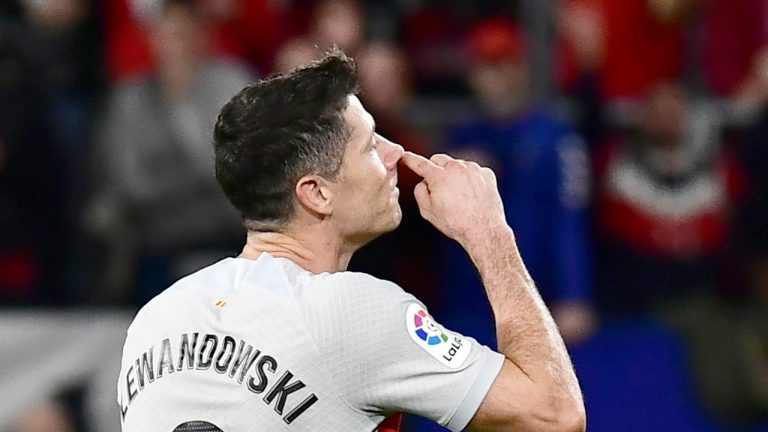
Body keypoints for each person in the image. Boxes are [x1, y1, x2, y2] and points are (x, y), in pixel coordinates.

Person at [117, 50, 586, 432]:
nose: (395, 152)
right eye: (369, 145)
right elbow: (554, 415)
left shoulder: (154, 319)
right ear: (317, 193)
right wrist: (489, 235)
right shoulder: (354, 309)